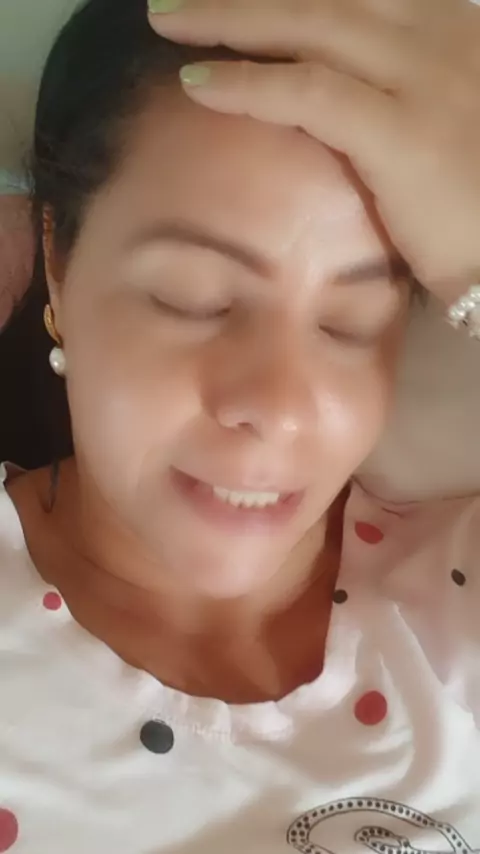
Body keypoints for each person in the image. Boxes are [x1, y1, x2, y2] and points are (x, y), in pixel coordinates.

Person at [0, 0, 480, 851]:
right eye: (196, 299)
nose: (279, 407)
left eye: (350, 321)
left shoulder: (453, 599)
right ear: (59, 258)